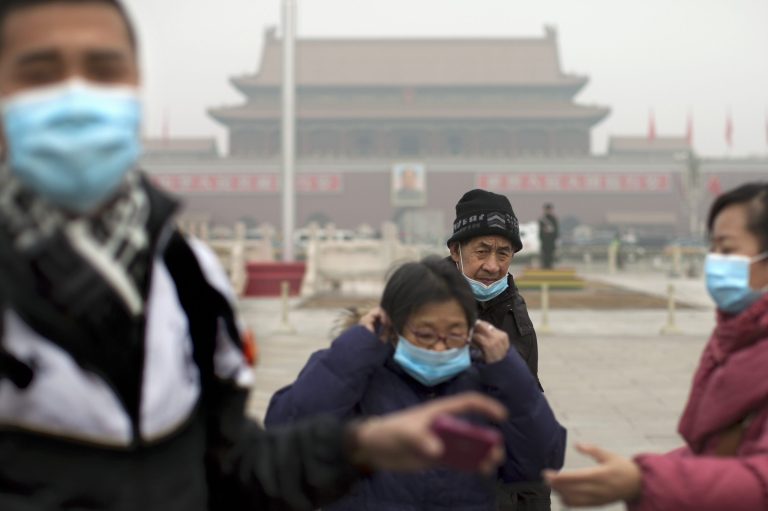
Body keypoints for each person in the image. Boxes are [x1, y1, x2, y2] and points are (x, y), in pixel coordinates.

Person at [0, 2, 509, 510]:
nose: (77, 95)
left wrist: (359, 447)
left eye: (104, 70)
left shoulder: (186, 275)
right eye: (40, 73)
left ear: (136, 84)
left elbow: (229, 464)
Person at [265, 256, 566, 510]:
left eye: (453, 334)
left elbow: (540, 461)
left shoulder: (484, 380)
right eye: (424, 334)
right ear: (392, 326)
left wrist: (510, 372)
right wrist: (353, 349)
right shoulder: (357, 372)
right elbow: (287, 433)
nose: (439, 346)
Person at [545, 182, 768, 510]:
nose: (715, 262)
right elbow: (714, 449)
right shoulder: (736, 335)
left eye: (727, 249)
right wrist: (639, 472)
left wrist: (644, 481)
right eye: (713, 249)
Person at [447, 189, 551, 509]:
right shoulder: (423, 313)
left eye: (503, 253)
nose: (493, 266)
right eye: (482, 251)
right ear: (456, 251)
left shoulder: (514, 311)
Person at [538, 203, 559, 270]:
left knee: (551, 254)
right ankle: (544, 266)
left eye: (549, 209)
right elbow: (540, 230)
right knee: (544, 254)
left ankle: (550, 266)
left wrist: (553, 235)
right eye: (546, 209)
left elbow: (556, 230)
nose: (548, 211)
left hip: (551, 240)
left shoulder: (554, 219)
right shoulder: (542, 219)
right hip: (544, 240)